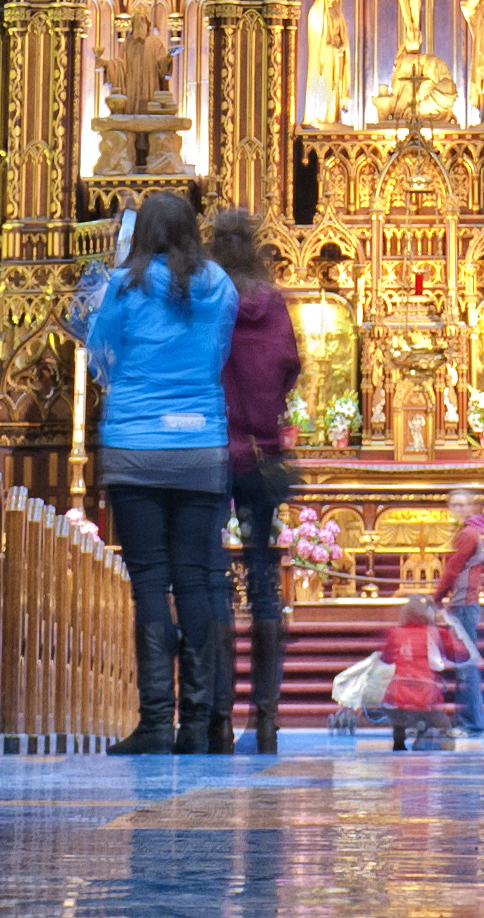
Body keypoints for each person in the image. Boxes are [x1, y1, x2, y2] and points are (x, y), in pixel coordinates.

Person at [74, 191, 240, 753]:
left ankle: (154, 721)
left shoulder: (121, 286)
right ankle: (196, 724)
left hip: (136, 446)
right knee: (194, 578)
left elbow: (100, 355)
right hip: (200, 445)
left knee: (149, 582)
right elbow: (219, 352)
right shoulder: (220, 285)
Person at [211, 204, 303, 756]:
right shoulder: (272, 303)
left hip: (212, 453)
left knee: (214, 583)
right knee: (264, 585)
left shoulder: (206, 298)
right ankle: (265, 720)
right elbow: (290, 365)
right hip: (262, 458)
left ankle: (218, 717)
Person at [431, 483, 484, 747]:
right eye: (453, 505)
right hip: (463, 604)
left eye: (462, 504)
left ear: (470, 507)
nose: (457, 509)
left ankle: (472, 724)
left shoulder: (468, 533)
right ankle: (465, 721)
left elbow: (453, 570)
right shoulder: (468, 532)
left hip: (464, 606)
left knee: (467, 668)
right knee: (464, 666)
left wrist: (435, 599)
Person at [382, 595, 480, 753]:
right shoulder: (438, 633)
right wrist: (453, 628)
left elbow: (386, 659)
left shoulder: (395, 633)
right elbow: (462, 655)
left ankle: (399, 736)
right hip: (426, 696)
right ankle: (424, 734)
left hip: (399, 697)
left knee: (395, 706)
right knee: (441, 722)